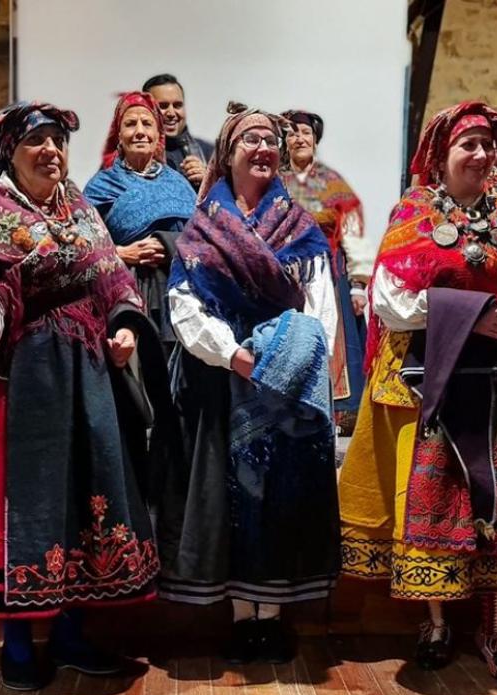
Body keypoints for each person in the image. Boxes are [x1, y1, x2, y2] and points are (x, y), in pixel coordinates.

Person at [0, 102, 177, 691]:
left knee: (83, 499)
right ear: (10, 151)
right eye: (39, 141)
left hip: (85, 377)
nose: (52, 151)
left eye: (58, 141)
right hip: (16, 385)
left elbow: (110, 272)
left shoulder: (75, 203)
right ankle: (17, 642)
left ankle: (73, 633)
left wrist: (125, 321)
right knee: (23, 509)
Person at [338, 101, 497, 686]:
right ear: (441, 155)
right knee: (433, 501)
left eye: (488, 146)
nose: (481, 156)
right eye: (469, 146)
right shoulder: (414, 215)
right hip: (430, 379)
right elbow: (389, 303)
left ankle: (496, 629)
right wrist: (470, 315)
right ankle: (434, 623)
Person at [157, 103, 339, 665]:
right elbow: (183, 306)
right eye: (249, 141)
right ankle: (241, 617)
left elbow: (321, 308)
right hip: (220, 377)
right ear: (227, 155)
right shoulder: (202, 228)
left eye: (269, 141)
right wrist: (233, 355)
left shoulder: (301, 228)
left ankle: (273, 614)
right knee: (231, 498)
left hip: (285, 384)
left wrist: (296, 366)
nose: (262, 149)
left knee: (280, 495)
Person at [281, 109, 376, 433]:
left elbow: (353, 232)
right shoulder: (274, 181)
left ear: (315, 140)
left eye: (305, 132)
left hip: (329, 272)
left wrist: (359, 284)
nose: (299, 138)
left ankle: (331, 417)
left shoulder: (332, 183)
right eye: (292, 132)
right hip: (286, 273)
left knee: (332, 341)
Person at [84, 92, 197, 352]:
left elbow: (202, 241)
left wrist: (169, 245)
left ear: (159, 135)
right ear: (119, 136)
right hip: (124, 299)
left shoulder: (179, 184)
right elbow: (82, 248)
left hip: (182, 296)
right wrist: (120, 253)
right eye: (130, 124)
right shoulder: (100, 186)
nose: (139, 131)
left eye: (147, 124)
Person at [143, 74, 214, 190]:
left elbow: (234, 202)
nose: (171, 113)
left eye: (177, 105)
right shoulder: (128, 156)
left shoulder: (210, 153)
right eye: (163, 106)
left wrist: (209, 182)